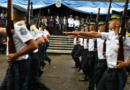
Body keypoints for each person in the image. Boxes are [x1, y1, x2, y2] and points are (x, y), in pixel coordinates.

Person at [64, 10, 129, 90]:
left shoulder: (126, 38)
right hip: (108, 71)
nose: (109, 22)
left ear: (117, 24)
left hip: (117, 73)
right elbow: (95, 34)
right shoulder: (110, 35)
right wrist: (78, 34)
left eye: (111, 21)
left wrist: (126, 64)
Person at [0, 4, 38, 90]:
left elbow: (34, 45)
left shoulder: (19, 28)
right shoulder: (15, 27)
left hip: (18, 64)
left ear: (13, 15)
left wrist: (16, 55)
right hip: (14, 64)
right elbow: (3, 30)